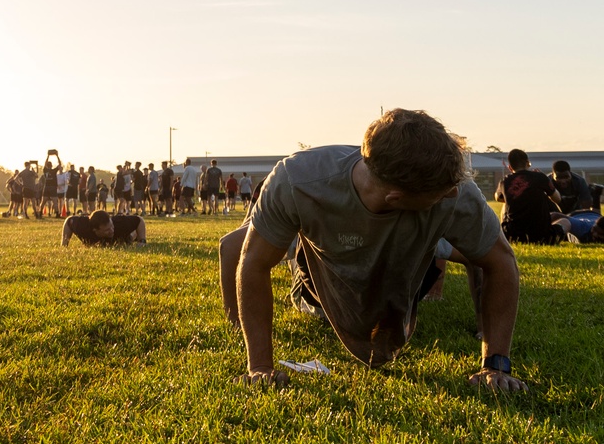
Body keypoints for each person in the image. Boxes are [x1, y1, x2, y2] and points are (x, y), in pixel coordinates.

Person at [222, 109, 527, 393]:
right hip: (318, 280)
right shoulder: (298, 181)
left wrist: (495, 365)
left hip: (400, 278)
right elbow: (253, 261)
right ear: (395, 197)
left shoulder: (455, 191)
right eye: (441, 195)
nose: (454, 194)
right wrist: (259, 367)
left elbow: (500, 261)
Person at [496, 150, 571, 245]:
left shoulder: (504, 181)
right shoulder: (540, 177)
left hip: (513, 236)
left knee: (505, 202)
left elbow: (497, 197)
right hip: (542, 237)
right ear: (528, 163)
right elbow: (557, 198)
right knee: (566, 222)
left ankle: (507, 239)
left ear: (510, 167)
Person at [61, 208, 147, 247]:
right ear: (95, 230)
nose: (111, 231)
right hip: (94, 240)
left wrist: (142, 241)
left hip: (120, 236)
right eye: (107, 230)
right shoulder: (83, 226)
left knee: (128, 239)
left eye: (111, 227)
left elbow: (139, 220)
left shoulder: (119, 223)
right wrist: (64, 244)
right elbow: (69, 221)